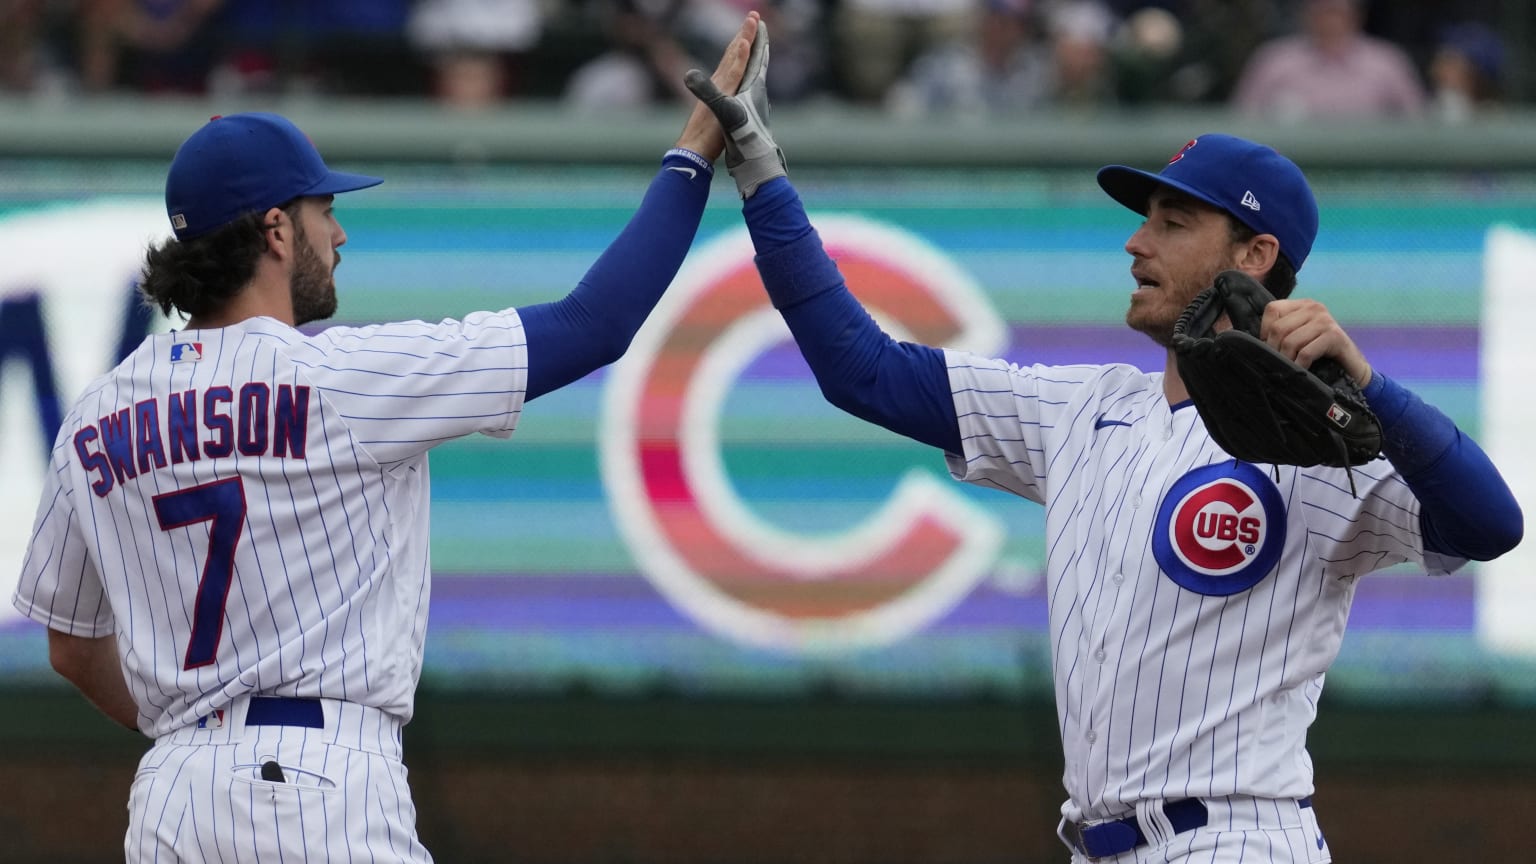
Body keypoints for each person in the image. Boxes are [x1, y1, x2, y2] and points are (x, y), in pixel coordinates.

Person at [686, 34, 1523, 863]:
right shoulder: (1081, 408)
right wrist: (760, 171)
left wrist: (1370, 390)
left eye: (1174, 222)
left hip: (1238, 838)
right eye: (1144, 221)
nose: (1137, 242)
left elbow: (1492, 524)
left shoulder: (1324, 442)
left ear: (1255, 257)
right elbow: (859, 370)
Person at [10, 11, 762, 861]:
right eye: (322, 210)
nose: (339, 234)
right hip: (319, 780)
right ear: (274, 229)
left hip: (171, 800)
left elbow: (72, 646)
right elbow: (596, 324)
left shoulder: (97, 416)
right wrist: (692, 152)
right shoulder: (344, 377)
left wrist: (191, 733)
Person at [1232, 0, 1424, 120]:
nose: (1329, 21)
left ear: (1356, 16)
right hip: (1289, 171)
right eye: (1322, 12)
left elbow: (1419, 122)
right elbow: (1242, 122)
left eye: (1336, 12)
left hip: (1374, 176)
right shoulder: (1274, 60)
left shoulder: (1386, 62)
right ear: (1306, 14)